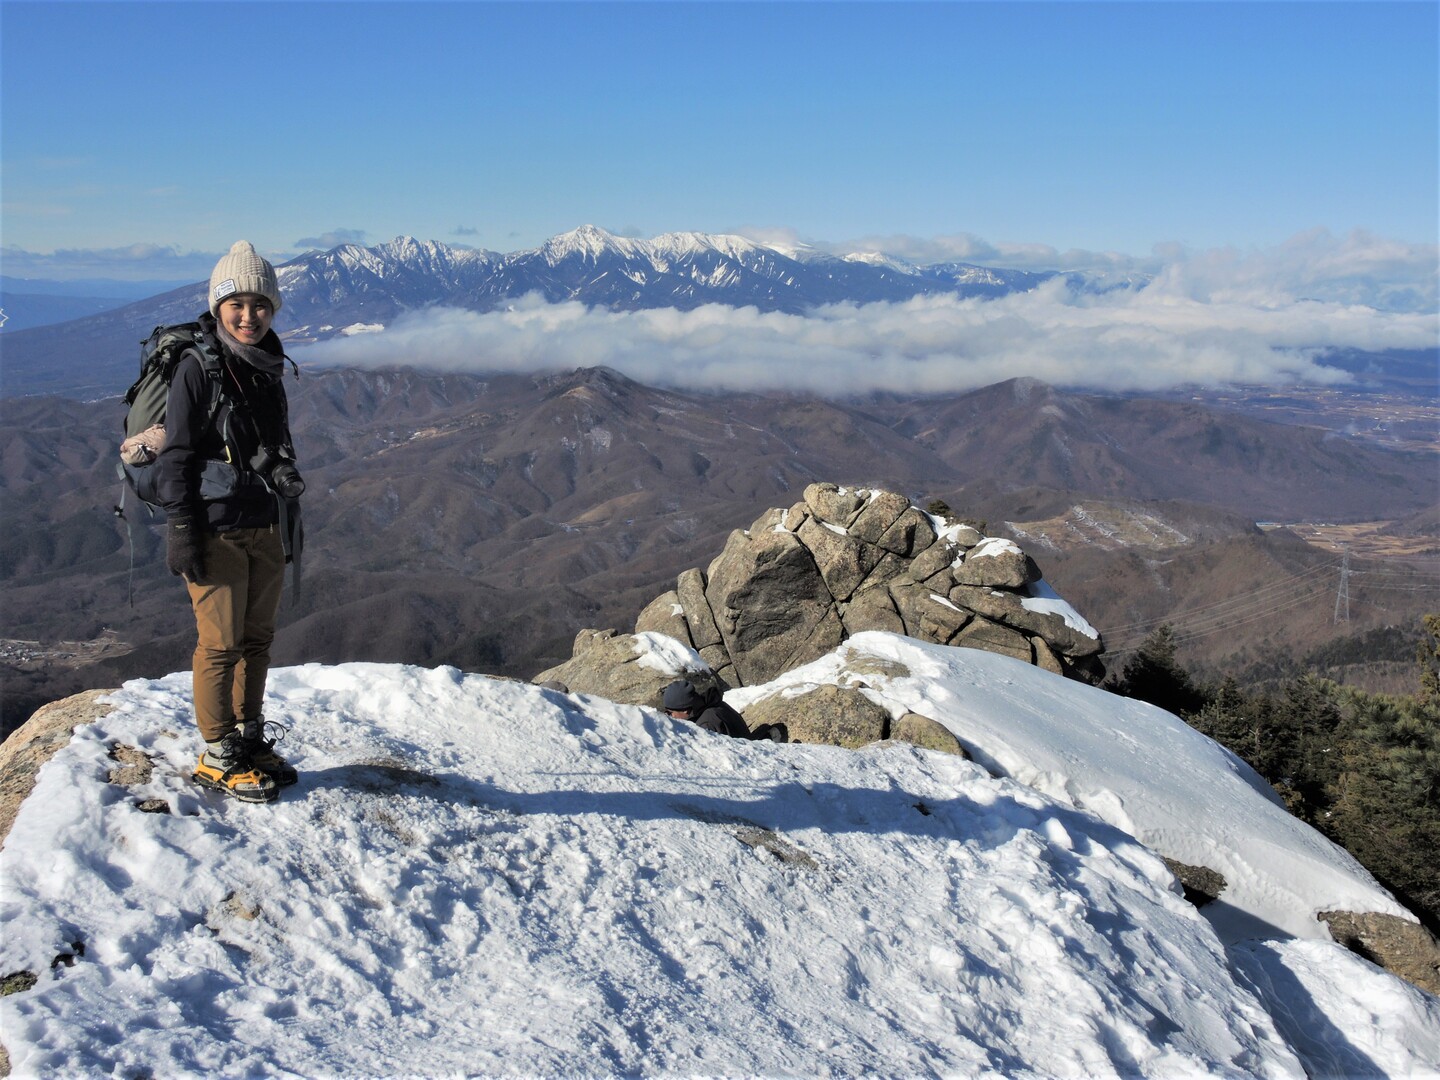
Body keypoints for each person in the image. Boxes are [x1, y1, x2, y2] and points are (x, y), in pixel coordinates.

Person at [158, 241, 304, 803]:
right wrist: (181, 528)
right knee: (220, 645)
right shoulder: (198, 370)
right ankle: (217, 751)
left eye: (260, 305)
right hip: (214, 525)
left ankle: (248, 737)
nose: (249, 316)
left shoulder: (268, 363)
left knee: (257, 640)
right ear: (218, 306)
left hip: (263, 520)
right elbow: (175, 457)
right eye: (236, 304)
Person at [661, 680, 787, 742]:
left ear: (685, 710)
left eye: (670, 713)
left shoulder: (706, 724)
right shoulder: (713, 705)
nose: (669, 717)